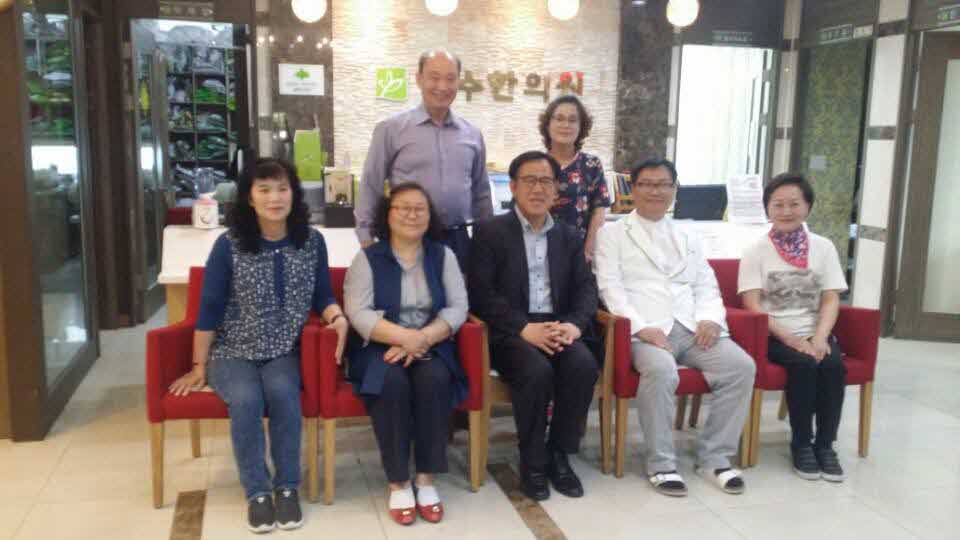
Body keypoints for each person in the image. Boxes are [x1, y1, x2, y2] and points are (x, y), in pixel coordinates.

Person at [168, 158, 349, 533]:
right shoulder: (229, 245)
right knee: (246, 400)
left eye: (282, 188)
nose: (274, 198)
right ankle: (257, 492)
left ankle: (287, 486)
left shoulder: (311, 242)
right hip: (232, 351)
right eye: (264, 189)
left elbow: (322, 295)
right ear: (249, 197)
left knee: (284, 394)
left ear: (294, 194)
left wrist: (337, 317)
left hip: (284, 349)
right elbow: (209, 310)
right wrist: (199, 366)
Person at [594, 158, 755, 497]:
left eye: (663, 184)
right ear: (633, 189)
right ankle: (661, 464)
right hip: (643, 331)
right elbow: (610, 288)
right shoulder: (612, 233)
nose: (655, 191)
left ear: (674, 190)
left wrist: (710, 318)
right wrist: (640, 328)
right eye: (647, 184)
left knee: (741, 366)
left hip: (691, 326)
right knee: (662, 370)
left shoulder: (688, 233)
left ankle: (714, 457)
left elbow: (706, 283)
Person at [468, 151, 599, 501]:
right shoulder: (490, 232)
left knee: (583, 365)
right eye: (529, 180)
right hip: (512, 331)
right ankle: (533, 460)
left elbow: (587, 288)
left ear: (556, 190)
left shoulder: (569, 236)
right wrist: (523, 328)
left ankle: (559, 453)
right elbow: (480, 293)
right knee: (536, 371)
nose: (538, 189)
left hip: (557, 325)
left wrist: (574, 326)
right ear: (512, 187)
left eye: (545, 181)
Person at [344, 182, 469, 526]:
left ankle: (426, 478)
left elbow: (458, 307)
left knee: (435, 378)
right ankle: (398, 481)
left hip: (432, 343)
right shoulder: (368, 257)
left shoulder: (443, 255)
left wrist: (421, 339)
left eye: (420, 209)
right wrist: (403, 338)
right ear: (388, 215)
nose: (412, 215)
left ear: (430, 216)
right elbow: (358, 312)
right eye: (403, 208)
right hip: (379, 347)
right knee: (392, 383)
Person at [738, 173, 848, 482]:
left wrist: (820, 337)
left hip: (815, 330)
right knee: (803, 364)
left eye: (794, 204)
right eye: (778, 204)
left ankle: (825, 445)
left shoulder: (824, 247)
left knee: (833, 365)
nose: (786, 211)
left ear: (808, 206)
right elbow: (752, 304)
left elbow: (830, 297)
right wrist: (791, 339)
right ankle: (801, 444)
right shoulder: (755, 250)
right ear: (767, 209)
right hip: (773, 333)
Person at [356, 47, 492, 270]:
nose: (442, 86)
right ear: (419, 79)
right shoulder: (391, 129)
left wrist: (486, 242)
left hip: (458, 240)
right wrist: (366, 238)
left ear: (459, 81)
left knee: (459, 293)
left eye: (450, 78)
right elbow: (371, 185)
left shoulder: (472, 134)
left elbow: (481, 193)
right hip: (407, 238)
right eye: (434, 77)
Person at [539, 95, 611, 261]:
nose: (566, 125)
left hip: (579, 253)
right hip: (539, 252)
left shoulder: (591, 164)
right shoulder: (536, 164)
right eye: (559, 119)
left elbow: (599, 211)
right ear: (548, 125)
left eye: (572, 120)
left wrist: (588, 251)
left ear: (581, 127)